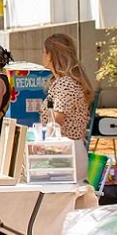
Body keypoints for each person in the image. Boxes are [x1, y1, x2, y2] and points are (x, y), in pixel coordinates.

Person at [40, 33, 93, 182]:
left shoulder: (65, 83)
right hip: (65, 150)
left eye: (44, 52)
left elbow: (57, 118)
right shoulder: (62, 82)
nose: (42, 56)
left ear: (51, 55)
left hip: (65, 152)